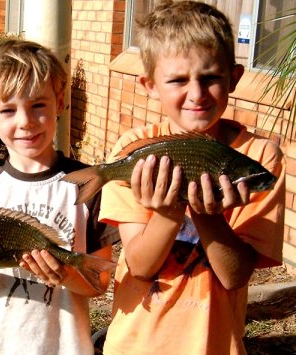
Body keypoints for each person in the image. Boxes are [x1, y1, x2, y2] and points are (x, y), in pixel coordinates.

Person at [99, 1, 285, 354]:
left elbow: (235, 276)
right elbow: (139, 265)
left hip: (213, 345)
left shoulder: (259, 160)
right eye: (178, 80)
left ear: (235, 78)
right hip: (136, 344)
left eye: (211, 78)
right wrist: (169, 212)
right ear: (150, 85)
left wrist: (206, 213)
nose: (197, 94)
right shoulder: (134, 148)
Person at [0, 39, 119, 355]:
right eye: (8, 110)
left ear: (60, 102)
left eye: (38, 105)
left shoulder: (89, 184)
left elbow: (98, 282)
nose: (25, 122)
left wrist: (67, 272)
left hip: (62, 347)